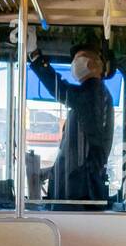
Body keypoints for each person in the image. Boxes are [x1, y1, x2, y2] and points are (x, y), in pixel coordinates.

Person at [27, 41, 115, 207]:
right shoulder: (94, 96)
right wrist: (52, 172)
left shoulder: (92, 93)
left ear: (92, 63)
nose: (74, 64)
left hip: (78, 194)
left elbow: (58, 88)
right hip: (78, 190)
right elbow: (75, 149)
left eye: (79, 58)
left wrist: (35, 56)